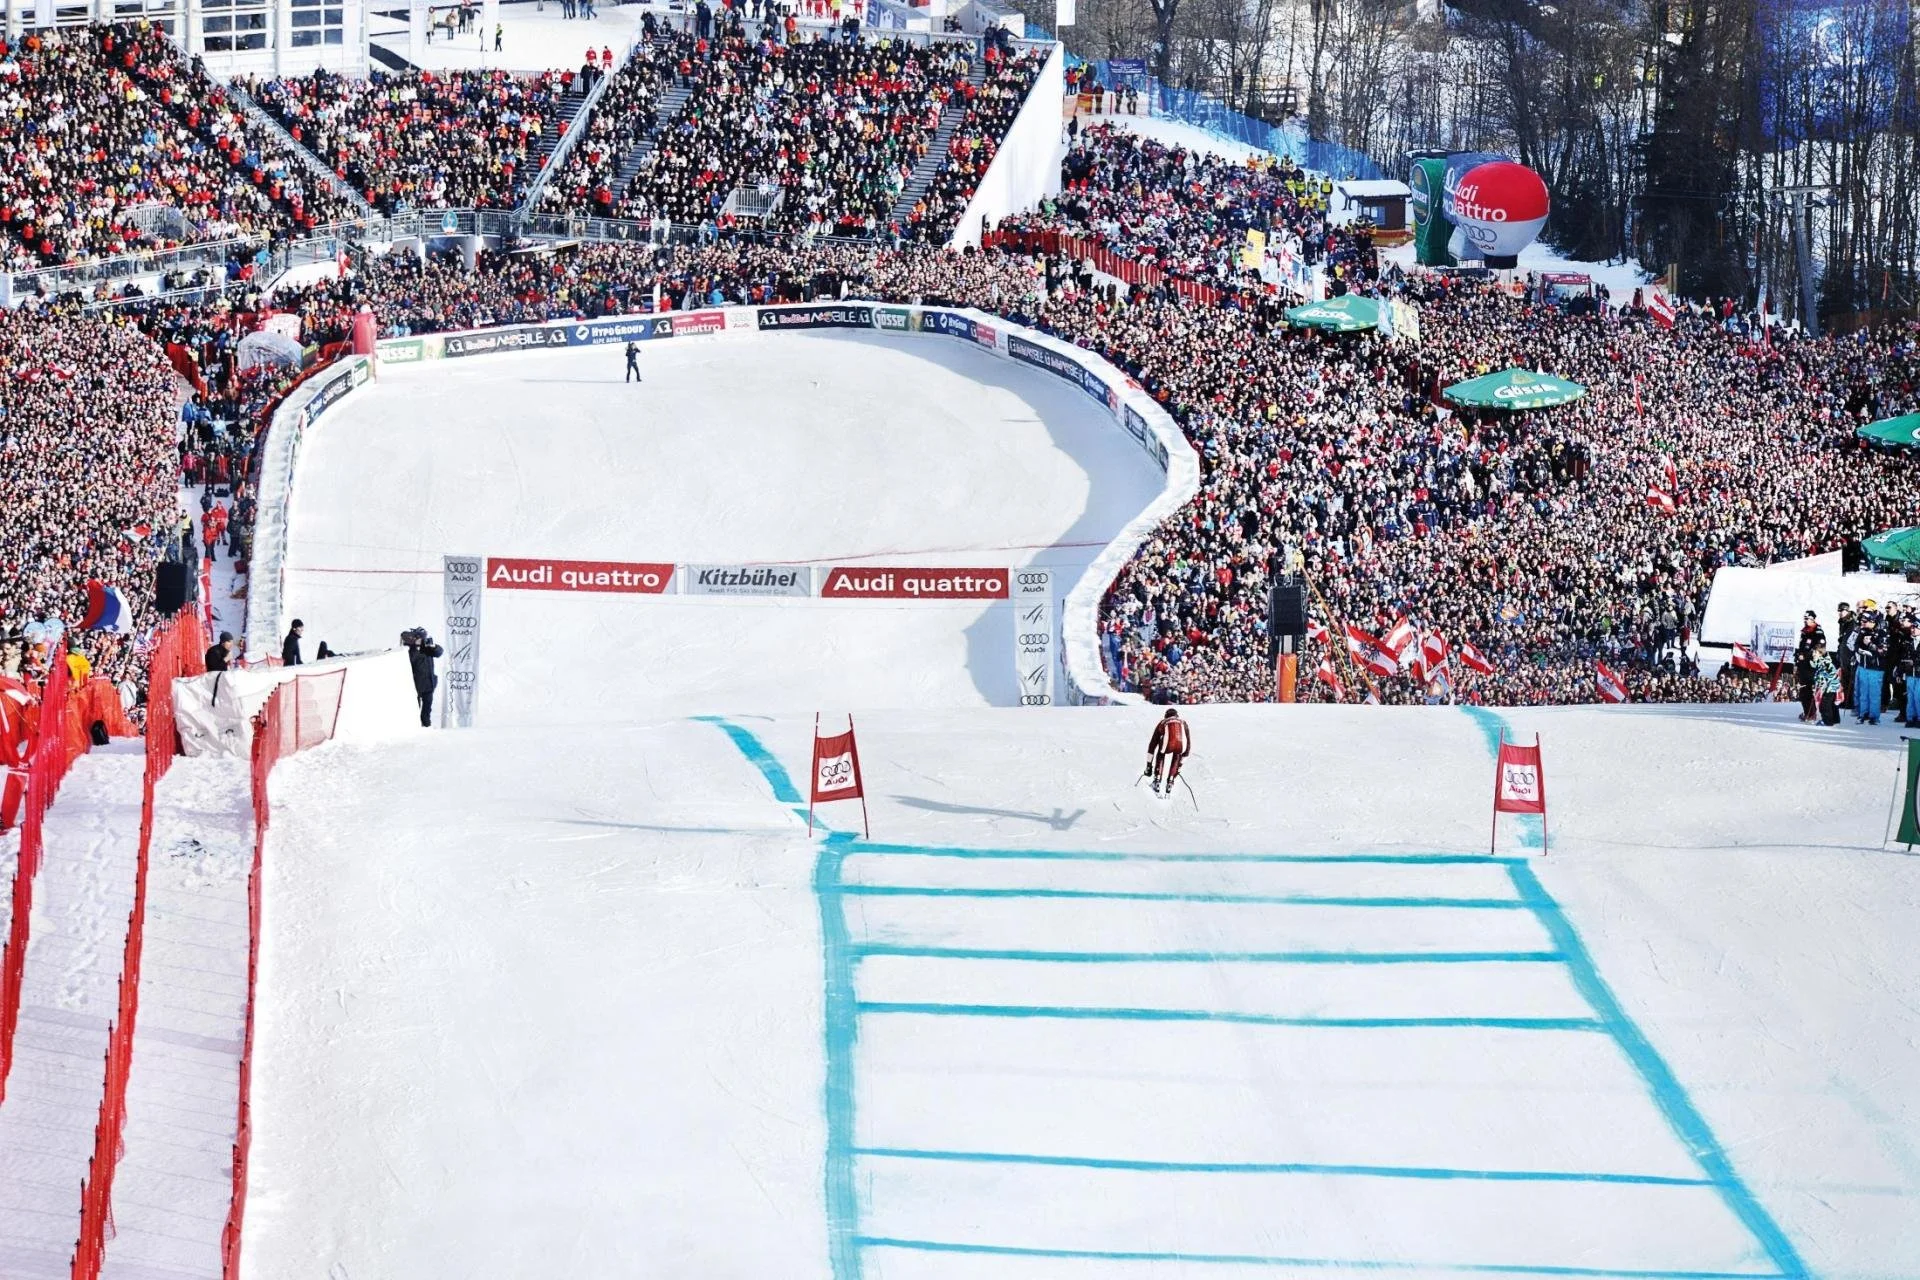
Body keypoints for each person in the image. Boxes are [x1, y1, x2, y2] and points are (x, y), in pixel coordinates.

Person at [1144, 707, 1190, 795]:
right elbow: (1188, 744)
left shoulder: (1163, 722)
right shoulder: (1183, 723)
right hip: (1181, 746)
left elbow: (1152, 745)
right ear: (1177, 716)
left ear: (1166, 716)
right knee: (1177, 755)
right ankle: (1170, 781)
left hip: (1167, 745)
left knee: (1161, 754)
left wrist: (1149, 766)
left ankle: (1157, 780)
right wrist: (1179, 766)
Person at [403, 628, 444, 727]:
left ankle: (426, 726)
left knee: (427, 709)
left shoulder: (427, 648)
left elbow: (439, 653)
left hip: (429, 684)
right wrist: (415, 646)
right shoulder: (409, 649)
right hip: (416, 685)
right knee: (414, 709)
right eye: (421, 638)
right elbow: (412, 660)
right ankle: (414, 727)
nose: (423, 640)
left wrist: (433, 646)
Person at [1792, 610, 1824, 723]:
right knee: (1803, 690)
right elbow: (1802, 648)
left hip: (1811, 666)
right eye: (1804, 618)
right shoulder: (1804, 632)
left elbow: (1820, 648)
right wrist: (1798, 657)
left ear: (1813, 619)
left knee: (1807, 690)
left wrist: (1807, 655)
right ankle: (1808, 712)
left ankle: (1811, 714)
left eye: (1807, 618)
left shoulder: (1818, 631)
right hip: (1803, 666)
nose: (1805, 620)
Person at [1811, 641, 1842, 727]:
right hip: (1830, 686)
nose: (1813, 654)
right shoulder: (1820, 662)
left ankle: (1827, 721)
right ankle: (1835, 720)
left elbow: (1829, 674)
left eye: (1815, 652)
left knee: (1824, 705)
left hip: (1830, 686)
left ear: (1820, 654)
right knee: (1831, 703)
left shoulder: (1825, 663)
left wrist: (1822, 682)